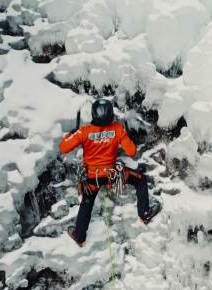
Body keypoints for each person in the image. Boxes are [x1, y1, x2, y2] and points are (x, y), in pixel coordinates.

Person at [59, 98, 160, 246]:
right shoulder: (117, 129)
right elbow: (131, 151)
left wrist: (72, 133)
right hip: (112, 176)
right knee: (140, 179)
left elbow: (63, 148)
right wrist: (124, 136)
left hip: (92, 179)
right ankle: (144, 214)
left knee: (87, 201)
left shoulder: (84, 132)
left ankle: (79, 236)